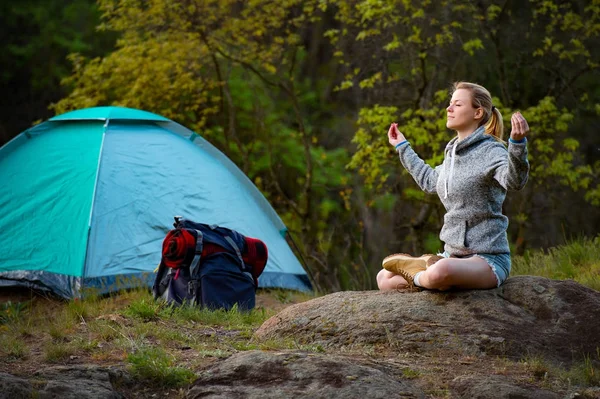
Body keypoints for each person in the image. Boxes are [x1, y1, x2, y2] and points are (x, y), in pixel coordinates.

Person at [376, 81, 530, 291]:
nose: (449, 108)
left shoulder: (492, 151)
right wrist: (403, 146)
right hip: (452, 255)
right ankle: (425, 273)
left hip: (487, 259)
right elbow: (429, 181)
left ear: (477, 113)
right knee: (384, 278)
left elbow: (515, 181)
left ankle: (423, 274)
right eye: (450, 103)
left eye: (457, 104)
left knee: (441, 271)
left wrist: (517, 146)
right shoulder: (452, 154)